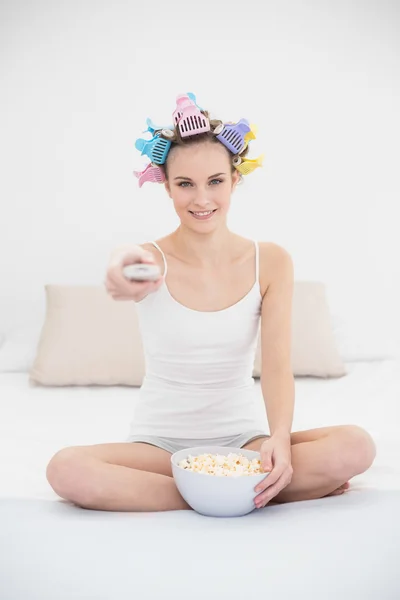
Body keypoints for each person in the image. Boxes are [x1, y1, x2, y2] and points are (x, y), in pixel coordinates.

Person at [46, 93, 376, 512]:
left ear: (234, 180)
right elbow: (121, 269)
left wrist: (279, 441)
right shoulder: (149, 259)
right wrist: (119, 273)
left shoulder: (271, 261)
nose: (202, 199)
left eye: (215, 181)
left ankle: (232, 485)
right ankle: (238, 493)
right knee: (67, 469)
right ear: (166, 187)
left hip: (243, 443)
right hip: (159, 449)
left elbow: (276, 366)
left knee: (355, 447)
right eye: (185, 184)